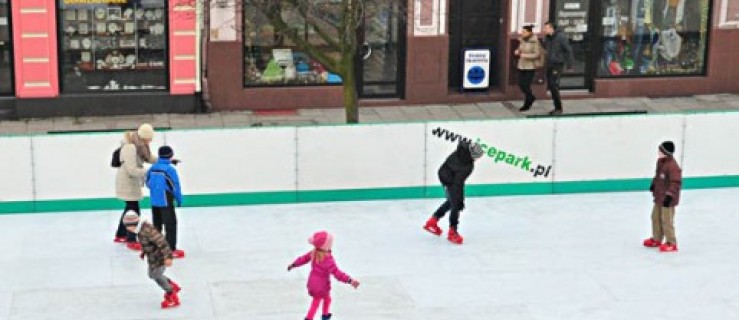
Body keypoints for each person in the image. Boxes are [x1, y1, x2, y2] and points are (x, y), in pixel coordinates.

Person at [288, 231, 360, 320]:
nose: (332, 244)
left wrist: (293, 264)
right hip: (321, 286)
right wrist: (350, 280)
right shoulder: (328, 259)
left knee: (327, 299)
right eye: (331, 243)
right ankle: (309, 318)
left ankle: (325, 316)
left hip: (313, 282)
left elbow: (303, 259)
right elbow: (337, 273)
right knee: (316, 302)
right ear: (325, 246)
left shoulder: (313, 253)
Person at [423, 142, 484, 244]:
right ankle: (452, 232)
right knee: (456, 204)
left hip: (442, 173)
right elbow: (458, 183)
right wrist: (460, 199)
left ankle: (432, 221)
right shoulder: (468, 166)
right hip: (450, 180)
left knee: (451, 201)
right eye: (478, 157)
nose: (477, 159)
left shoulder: (461, 151)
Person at [122, 211, 182, 308]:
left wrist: (168, 257)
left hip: (160, 257)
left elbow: (162, 243)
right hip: (153, 256)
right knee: (152, 274)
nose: (128, 230)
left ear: (134, 224)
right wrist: (144, 251)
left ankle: (171, 294)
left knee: (155, 274)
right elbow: (148, 243)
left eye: (129, 227)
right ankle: (171, 285)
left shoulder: (147, 230)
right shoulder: (140, 230)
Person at [114, 124, 157, 250]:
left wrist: (163, 161)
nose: (151, 141)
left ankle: (120, 234)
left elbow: (149, 158)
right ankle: (131, 238)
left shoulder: (140, 146)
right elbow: (131, 169)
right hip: (126, 182)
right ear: (144, 137)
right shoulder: (130, 147)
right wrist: (148, 171)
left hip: (132, 182)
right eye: (149, 138)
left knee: (129, 208)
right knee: (133, 211)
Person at [643, 141, 682, 252]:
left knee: (667, 221)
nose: (658, 152)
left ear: (666, 153)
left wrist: (669, 196)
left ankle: (671, 242)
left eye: (660, 151)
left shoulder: (672, 166)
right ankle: (657, 238)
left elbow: (676, 182)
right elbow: (658, 176)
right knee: (655, 217)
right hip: (659, 197)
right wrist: (653, 184)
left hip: (668, 200)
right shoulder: (660, 162)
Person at [146, 146, 185, 258]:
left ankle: (157, 248)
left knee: (157, 225)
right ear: (171, 155)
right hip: (166, 200)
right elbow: (175, 186)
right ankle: (170, 249)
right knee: (170, 224)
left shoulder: (153, 168)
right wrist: (179, 199)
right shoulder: (170, 170)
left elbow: (148, 182)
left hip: (154, 200)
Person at [543, 22, 574, 116]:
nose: (544, 30)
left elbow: (568, 50)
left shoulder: (561, 37)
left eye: (546, 28)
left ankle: (558, 108)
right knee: (551, 85)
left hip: (557, 64)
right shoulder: (547, 38)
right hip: (550, 64)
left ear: (551, 28)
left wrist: (569, 65)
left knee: (554, 85)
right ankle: (556, 107)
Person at [514, 25, 541, 112]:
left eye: (524, 32)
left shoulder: (535, 42)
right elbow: (520, 49)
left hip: (530, 66)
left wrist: (524, 55)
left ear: (529, 32)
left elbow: (537, 54)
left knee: (526, 85)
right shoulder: (522, 40)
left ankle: (527, 104)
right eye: (522, 32)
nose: (522, 33)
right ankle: (531, 97)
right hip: (521, 65)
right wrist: (517, 51)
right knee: (521, 84)